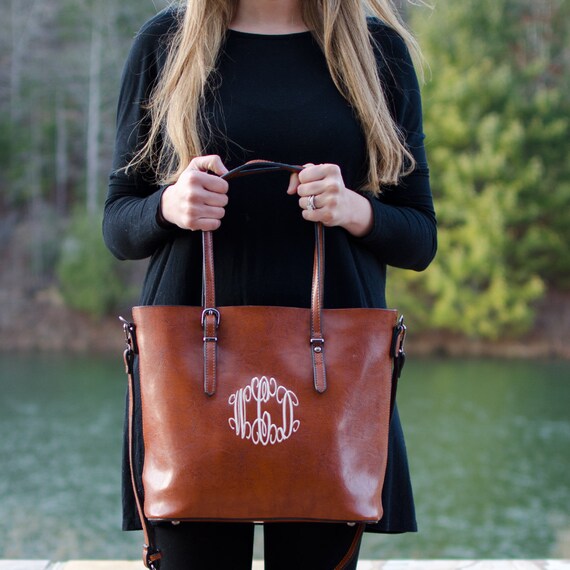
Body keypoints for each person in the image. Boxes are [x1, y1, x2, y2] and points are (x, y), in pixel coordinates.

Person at [103, 0, 436, 568]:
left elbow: (419, 237)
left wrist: (354, 209)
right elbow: (119, 225)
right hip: (188, 381)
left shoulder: (376, 51)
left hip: (333, 380)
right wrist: (169, 205)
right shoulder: (167, 41)